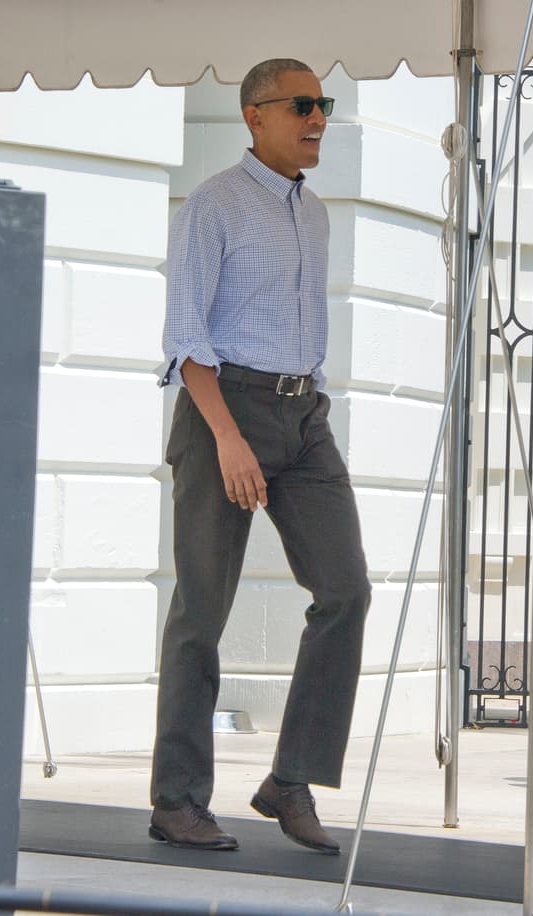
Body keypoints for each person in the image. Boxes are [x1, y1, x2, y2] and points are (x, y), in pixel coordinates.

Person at [149, 58, 371, 855]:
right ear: (254, 116)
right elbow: (186, 336)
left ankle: (289, 781)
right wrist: (229, 437)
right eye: (301, 105)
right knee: (201, 613)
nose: (317, 118)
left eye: (324, 105)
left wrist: (311, 407)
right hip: (225, 410)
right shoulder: (214, 205)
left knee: (346, 590)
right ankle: (176, 799)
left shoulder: (315, 215)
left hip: (303, 416)